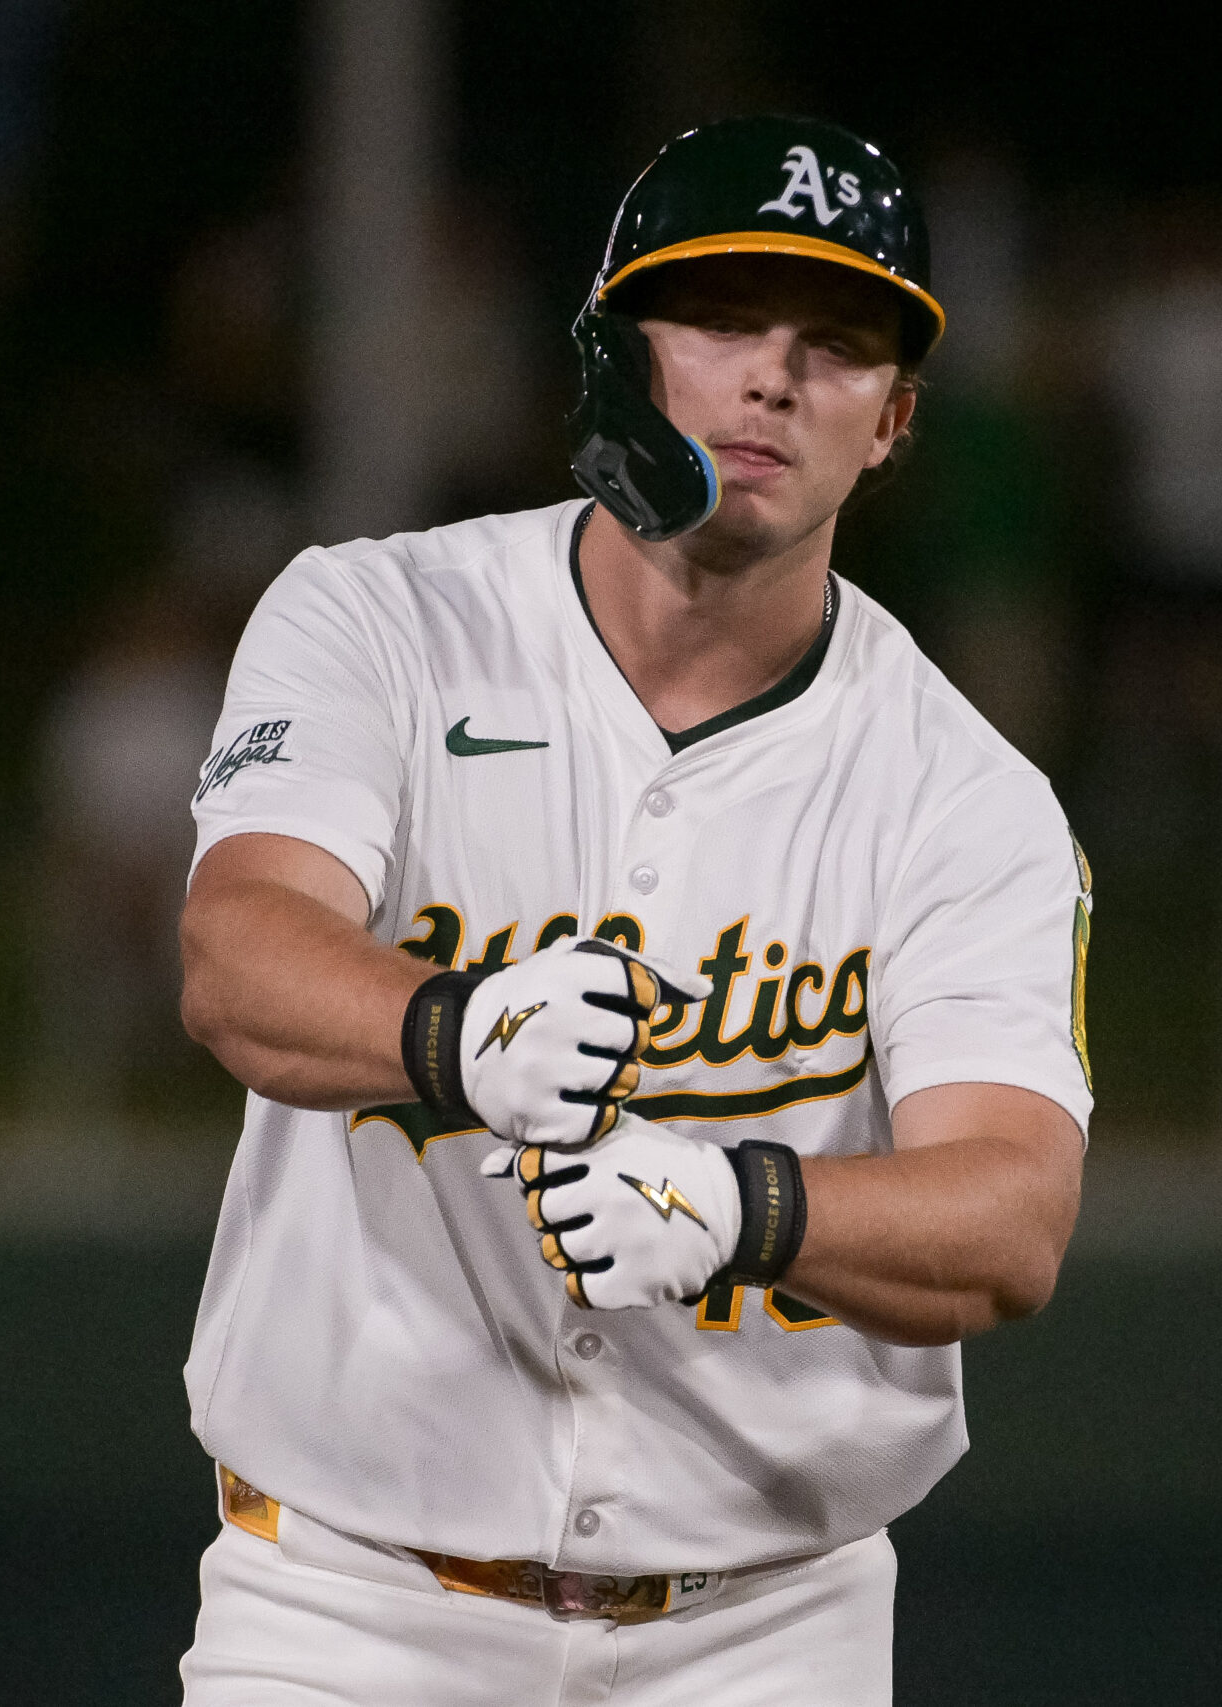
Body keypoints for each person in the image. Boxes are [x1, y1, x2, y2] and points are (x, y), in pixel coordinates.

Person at [173, 116, 1092, 1706]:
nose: (773, 379)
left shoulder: (963, 790)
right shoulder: (382, 620)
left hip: (764, 1636)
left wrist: (748, 1209)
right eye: (721, 318)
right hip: (345, 1611)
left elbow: (1010, 1215)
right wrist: (452, 1031)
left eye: (837, 345)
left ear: (894, 423)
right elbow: (235, 954)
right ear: (610, 357)